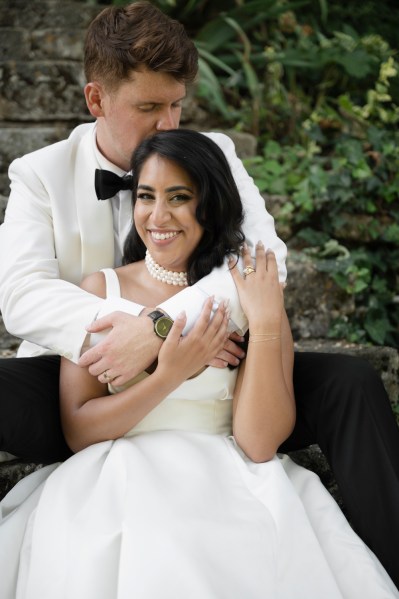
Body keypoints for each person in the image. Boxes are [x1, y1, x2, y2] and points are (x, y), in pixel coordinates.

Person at [0, 0, 398, 587]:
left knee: (352, 383)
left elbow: (267, 261)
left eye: (177, 105)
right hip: (89, 367)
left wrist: (164, 329)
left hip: (221, 367)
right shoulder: (39, 173)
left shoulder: (211, 155)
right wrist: (144, 332)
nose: (169, 125)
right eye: (149, 107)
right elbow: (24, 297)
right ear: (96, 100)